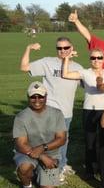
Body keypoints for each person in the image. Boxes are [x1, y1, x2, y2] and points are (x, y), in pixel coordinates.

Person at [19, 38, 82, 178]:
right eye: (60, 48)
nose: (63, 51)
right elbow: (24, 67)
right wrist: (28, 48)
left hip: (66, 112)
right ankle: (49, 169)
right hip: (49, 111)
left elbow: (89, 83)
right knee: (48, 140)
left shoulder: (78, 67)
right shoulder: (47, 62)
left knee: (64, 139)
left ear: (72, 48)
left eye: (66, 47)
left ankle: (62, 164)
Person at [62, 49, 104, 179]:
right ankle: (90, 170)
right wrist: (67, 57)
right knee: (90, 141)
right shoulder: (85, 73)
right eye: (93, 58)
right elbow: (65, 74)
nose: (96, 60)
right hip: (89, 110)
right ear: (90, 60)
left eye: (99, 57)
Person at [13, 82, 67, 188]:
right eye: (33, 96)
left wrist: (43, 148)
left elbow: (62, 139)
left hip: (51, 153)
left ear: (46, 97)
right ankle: (27, 186)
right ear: (28, 97)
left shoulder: (57, 113)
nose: (37, 99)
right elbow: (20, 144)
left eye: (40, 96)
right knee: (24, 168)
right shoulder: (21, 117)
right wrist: (42, 156)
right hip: (27, 153)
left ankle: (36, 173)